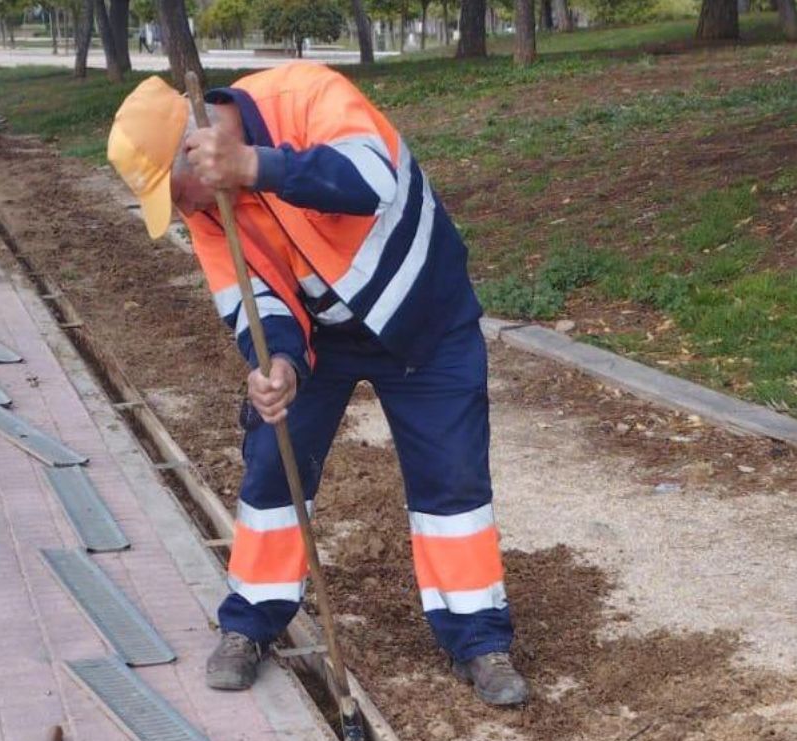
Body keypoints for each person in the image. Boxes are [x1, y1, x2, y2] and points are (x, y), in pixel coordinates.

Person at [107, 64, 530, 707]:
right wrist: (277, 362)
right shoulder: (208, 209)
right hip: (320, 338)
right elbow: (246, 296)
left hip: (424, 318)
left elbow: (370, 179)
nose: (181, 212)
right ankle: (251, 620)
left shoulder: (304, 96)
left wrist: (255, 167)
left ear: (198, 146)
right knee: (275, 463)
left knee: (453, 480)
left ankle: (479, 638)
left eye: (176, 192)